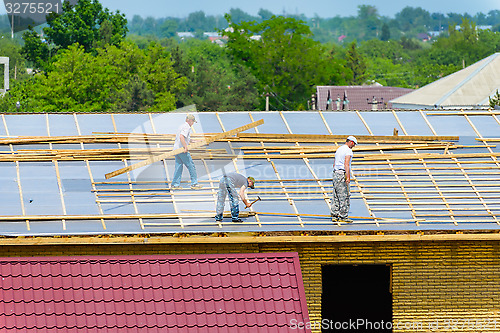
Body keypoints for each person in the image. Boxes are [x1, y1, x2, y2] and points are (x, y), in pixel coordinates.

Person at [171, 114, 203, 190]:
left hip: (176, 149)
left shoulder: (181, 126)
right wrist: (185, 147)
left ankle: (175, 184)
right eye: (192, 122)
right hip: (181, 149)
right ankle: (194, 183)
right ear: (190, 121)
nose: (192, 124)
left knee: (178, 167)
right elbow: (181, 136)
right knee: (191, 165)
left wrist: (196, 141)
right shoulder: (187, 127)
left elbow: (185, 138)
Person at [331, 136, 357, 223]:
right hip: (342, 174)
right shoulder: (348, 150)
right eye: (354, 145)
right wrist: (348, 177)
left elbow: (334, 163)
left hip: (335, 173)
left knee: (336, 195)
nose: (353, 147)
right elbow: (346, 164)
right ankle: (343, 216)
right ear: (351, 142)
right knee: (344, 196)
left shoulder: (339, 149)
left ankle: (335, 214)